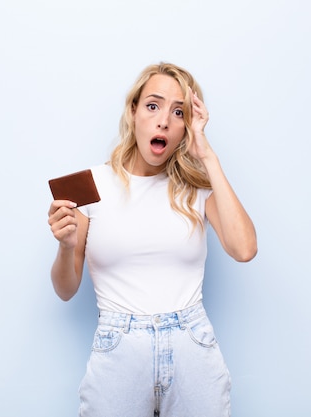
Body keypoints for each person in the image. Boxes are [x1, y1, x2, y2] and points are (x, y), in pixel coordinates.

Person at [47, 62, 257, 417]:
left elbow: (245, 249)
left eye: (179, 112)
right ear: (133, 112)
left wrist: (207, 156)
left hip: (193, 346)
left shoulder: (197, 190)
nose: (164, 121)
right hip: (119, 349)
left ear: (188, 126)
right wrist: (66, 246)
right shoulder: (91, 186)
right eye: (153, 105)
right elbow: (66, 289)